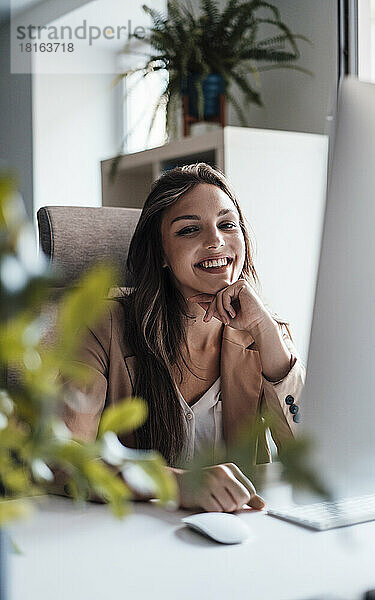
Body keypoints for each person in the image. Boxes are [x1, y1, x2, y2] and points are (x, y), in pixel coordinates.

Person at [62, 163, 305, 513]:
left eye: (227, 224)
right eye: (190, 230)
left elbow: (312, 453)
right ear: (160, 253)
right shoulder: (105, 328)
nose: (216, 240)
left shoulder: (266, 336)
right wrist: (175, 483)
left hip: (240, 537)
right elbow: (63, 460)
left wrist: (267, 333)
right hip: (131, 537)